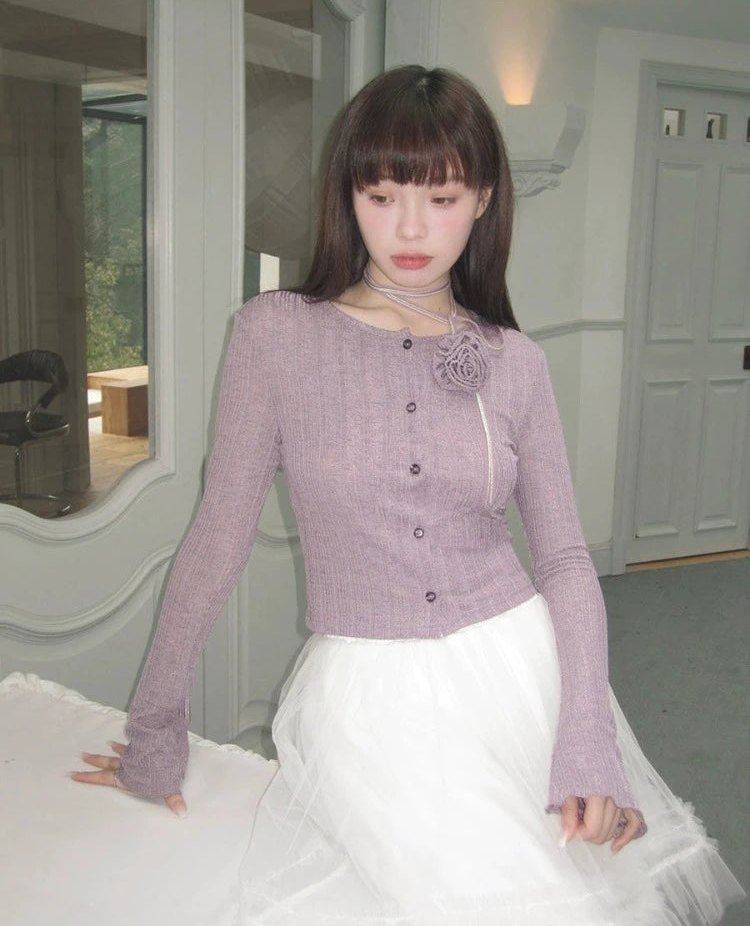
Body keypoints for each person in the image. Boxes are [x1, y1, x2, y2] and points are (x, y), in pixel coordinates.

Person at [74, 66, 744, 924]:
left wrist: (588, 737)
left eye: (444, 197)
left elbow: (566, 560)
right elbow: (216, 540)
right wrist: (155, 734)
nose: (412, 228)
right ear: (348, 197)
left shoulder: (515, 361)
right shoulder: (275, 336)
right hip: (368, 696)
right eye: (383, 196)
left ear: (484, 200)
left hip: (518, 669)